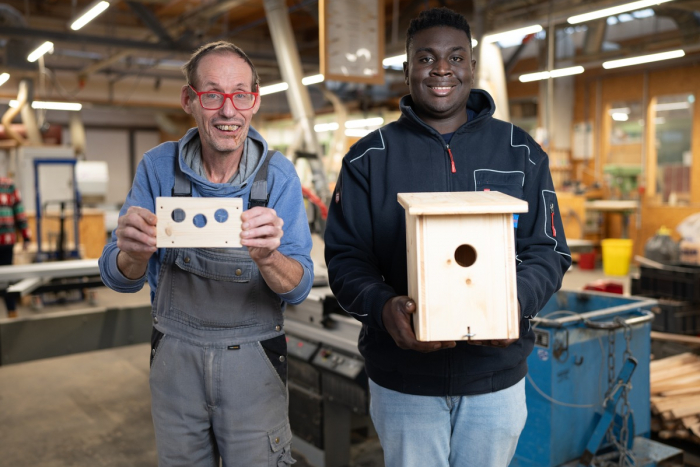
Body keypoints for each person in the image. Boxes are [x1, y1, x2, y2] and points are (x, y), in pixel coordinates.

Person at [324, 7, 571, 467]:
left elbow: (549, 249)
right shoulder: (368, 158)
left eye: (456, 57)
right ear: (406, 69)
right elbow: (345, 259)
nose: (441, 69)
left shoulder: (521, 151)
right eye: (426, 58)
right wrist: (383, 308)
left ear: (471, 67)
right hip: (403, 383)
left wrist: (512, 304)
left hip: (494, 380)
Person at [99, 41, 313, 467]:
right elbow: (118, 276)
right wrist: (133, 252)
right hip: (176, 361)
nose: (228, 111)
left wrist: (269, 258)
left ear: (254, 102)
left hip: (253, 363)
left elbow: (299, 287)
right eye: (212, 94)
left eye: (240, 95)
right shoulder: (159, 168)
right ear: (189, 101)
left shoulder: (279, 177)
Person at [0, 176, 31, 318]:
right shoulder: (8, 184)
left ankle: (12, 312)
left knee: (7, 279)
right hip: (7, 239)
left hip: (6, 241)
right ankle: (12, 312)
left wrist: (26, 236)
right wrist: (26, 236)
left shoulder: (9, 185)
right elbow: (19, 212)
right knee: (7, 279)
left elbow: (19, 211)